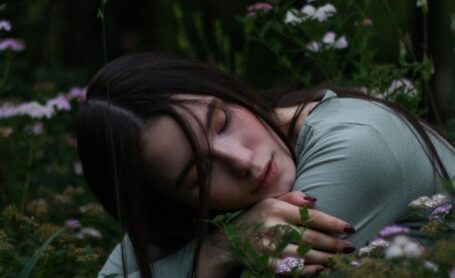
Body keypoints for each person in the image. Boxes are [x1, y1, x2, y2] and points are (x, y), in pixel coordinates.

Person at [76, 52, 455, 278]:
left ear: (224, 90)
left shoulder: (355, 146)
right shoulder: (226, 218)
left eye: (222, 122)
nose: (242, 161)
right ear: (176, 206)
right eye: (201, 174)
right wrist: (221, 249)